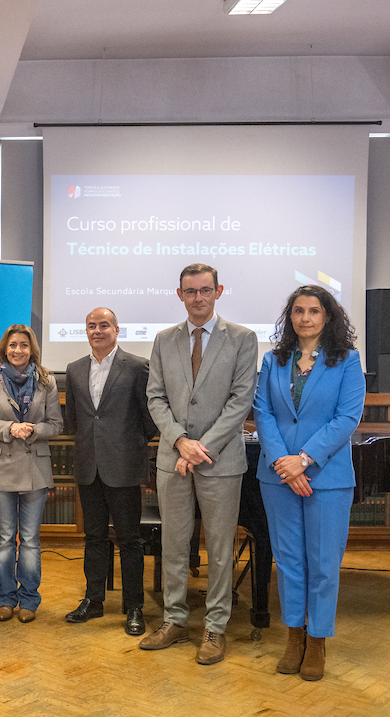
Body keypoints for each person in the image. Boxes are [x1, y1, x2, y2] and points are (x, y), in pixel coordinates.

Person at [142, 263, 257, 665]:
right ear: (180, 295)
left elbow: (240, 401)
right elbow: (155, 397)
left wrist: (200, 448)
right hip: (174, 459)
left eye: (205, 290)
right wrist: (180, 441)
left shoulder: (243, 339)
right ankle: (174, 620)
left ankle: (215, 627)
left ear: (218, 291)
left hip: (220, 461)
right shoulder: (163, 340)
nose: (198, 298)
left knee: (221, 549)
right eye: (190, 292)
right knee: (173, 544)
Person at [253, 284, 364, 681]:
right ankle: (294, 637)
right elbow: (263, 413)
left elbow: (346, 419)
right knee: (288, 562)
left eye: (313, 311)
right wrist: (286, 466)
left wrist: (303, 461)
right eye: (298, 311)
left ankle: (317, 640)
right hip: (278, 476)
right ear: (290, 317)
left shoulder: (347, 361)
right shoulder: (274, 361)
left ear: (327, 317)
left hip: (327, 478)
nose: (305, 318)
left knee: (322, 564)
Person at [63, 307, 157, 636]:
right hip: (89, 466)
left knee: (130, 540)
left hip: (125, 467)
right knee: (94, 537)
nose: (98, 330)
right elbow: (74, 419)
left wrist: (124, 445)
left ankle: (134, 607)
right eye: (92, 326)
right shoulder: (74, 369)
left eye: (104, 325)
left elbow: (149, 419)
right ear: (86, 331)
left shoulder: (136, 367)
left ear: (117, 330)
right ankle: (94, 600)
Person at [0, 324, 63, 623]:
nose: (18, 350)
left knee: (30, 539)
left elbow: (57, 424)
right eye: (12, 345)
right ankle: (5, 597)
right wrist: (10, 428)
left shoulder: (47, 382)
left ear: (32, 349)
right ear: (5, 349)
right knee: (4, 538)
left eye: (24, 345)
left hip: (35, 469)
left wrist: (36, 430)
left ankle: (29, 600)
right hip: (1, 468)